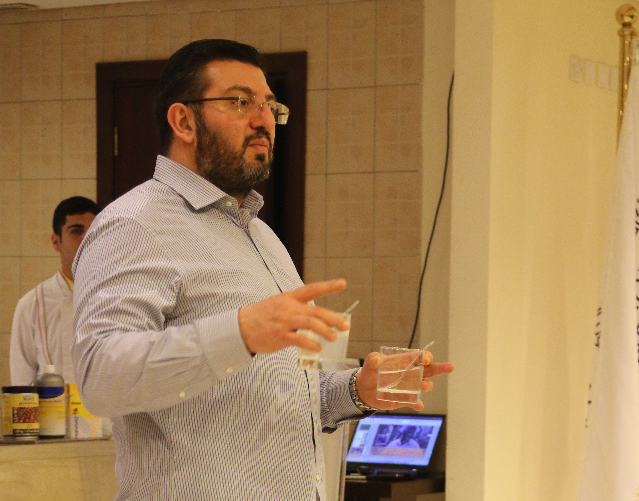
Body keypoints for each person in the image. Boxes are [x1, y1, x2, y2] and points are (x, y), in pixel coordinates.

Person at [72, 39, 454, 501]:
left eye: (270, 106)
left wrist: (357, 390)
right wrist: (239, 332)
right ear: (184, 121)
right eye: (240, 102)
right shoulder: (134, 225)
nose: (263, 120)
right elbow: (100, 378)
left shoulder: (262, 236)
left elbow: (285, 395)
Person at [9, 196, 98, 386]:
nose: (85, 238)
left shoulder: (118, 296)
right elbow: (22, 384)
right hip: (51, 406)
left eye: (92, 231)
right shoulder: (31, 304)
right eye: (76, 231)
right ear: (56, 242)